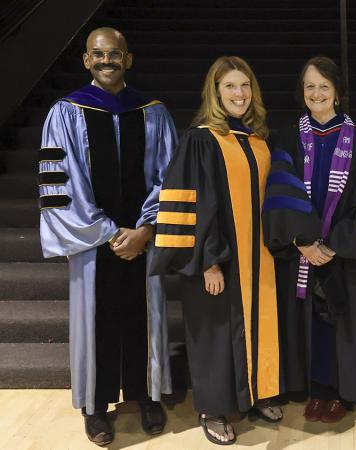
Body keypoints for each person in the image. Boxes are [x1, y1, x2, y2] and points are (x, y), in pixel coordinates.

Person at [38, 27, 175, 445]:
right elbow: (61, 185)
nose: (107, 61)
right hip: (94, 242)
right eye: (98, 55)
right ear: (86, 60)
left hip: (144, 239)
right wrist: (112, 233)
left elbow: (170, 176)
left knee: (144, 316)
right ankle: (95, 406)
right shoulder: (64, 113)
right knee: (96, 320)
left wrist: (146, 229)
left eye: (115, 54)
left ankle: (146, 394)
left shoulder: (153, 112)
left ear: (128, 59)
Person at [149, 56, 282, 446]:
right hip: (217, 260)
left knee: (255, 326)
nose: (239, 94)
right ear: (215, 92)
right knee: (215, 336)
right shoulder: (201, 140)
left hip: (257, 257)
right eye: (230, 87)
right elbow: (192, 204)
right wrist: (208, 262)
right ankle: (213, 409)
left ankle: (255, 393)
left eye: (245, 85)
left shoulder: (257, 139)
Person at [263, 56, 356, 423]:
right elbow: (280, 195)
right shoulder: (287, 138)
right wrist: (303, 241)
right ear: (301, 92)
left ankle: (342, 392)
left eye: (324, 86)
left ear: (337, 92)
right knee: (311, 322)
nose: (316, 93)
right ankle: (317, 389)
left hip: (345, 253)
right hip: (302, 252)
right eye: (310, 86)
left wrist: (334, 243)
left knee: (343, 321)